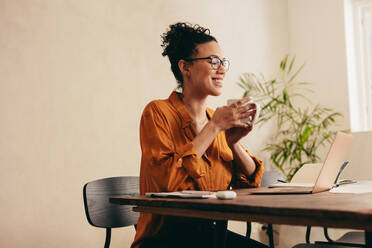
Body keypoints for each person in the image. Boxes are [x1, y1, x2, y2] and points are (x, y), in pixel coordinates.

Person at [132, 22, 267, 248]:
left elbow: (250, 186)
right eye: (213, 61)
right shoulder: (157, 112)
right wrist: (214, 128)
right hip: (163, 239)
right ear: (185, 67)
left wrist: (233, 144)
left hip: (208, 235)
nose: (222, 69)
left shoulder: (216, 118)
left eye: (224, 62)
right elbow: (171, 185)